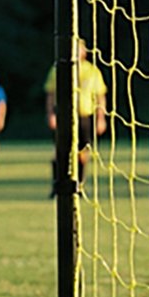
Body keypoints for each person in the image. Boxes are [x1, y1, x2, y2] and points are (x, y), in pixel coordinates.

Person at [45, 41, 107, 197]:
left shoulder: (92, 71)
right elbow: (50, 94)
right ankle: (57, 185)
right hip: (63, 117)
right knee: (60, 151)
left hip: (84, 116)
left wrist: (101, 118)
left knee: (82, 153)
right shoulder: (57, 69)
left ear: (84, 52)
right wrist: (51, 114)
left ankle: (78, 185)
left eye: (79, 49)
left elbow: (100, 96)